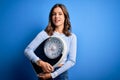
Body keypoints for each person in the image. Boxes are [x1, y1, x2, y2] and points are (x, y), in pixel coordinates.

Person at [24, 3, 77, 80]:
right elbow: (27, 50)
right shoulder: (44, 34)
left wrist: (53, 75)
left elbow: (71, 61)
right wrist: (41, 63)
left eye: (60, 14)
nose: (56, 17)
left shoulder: (71, 37)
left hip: (61, 74)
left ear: (65, 16)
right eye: (54, 14)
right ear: (51, 17)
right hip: (44, 73)